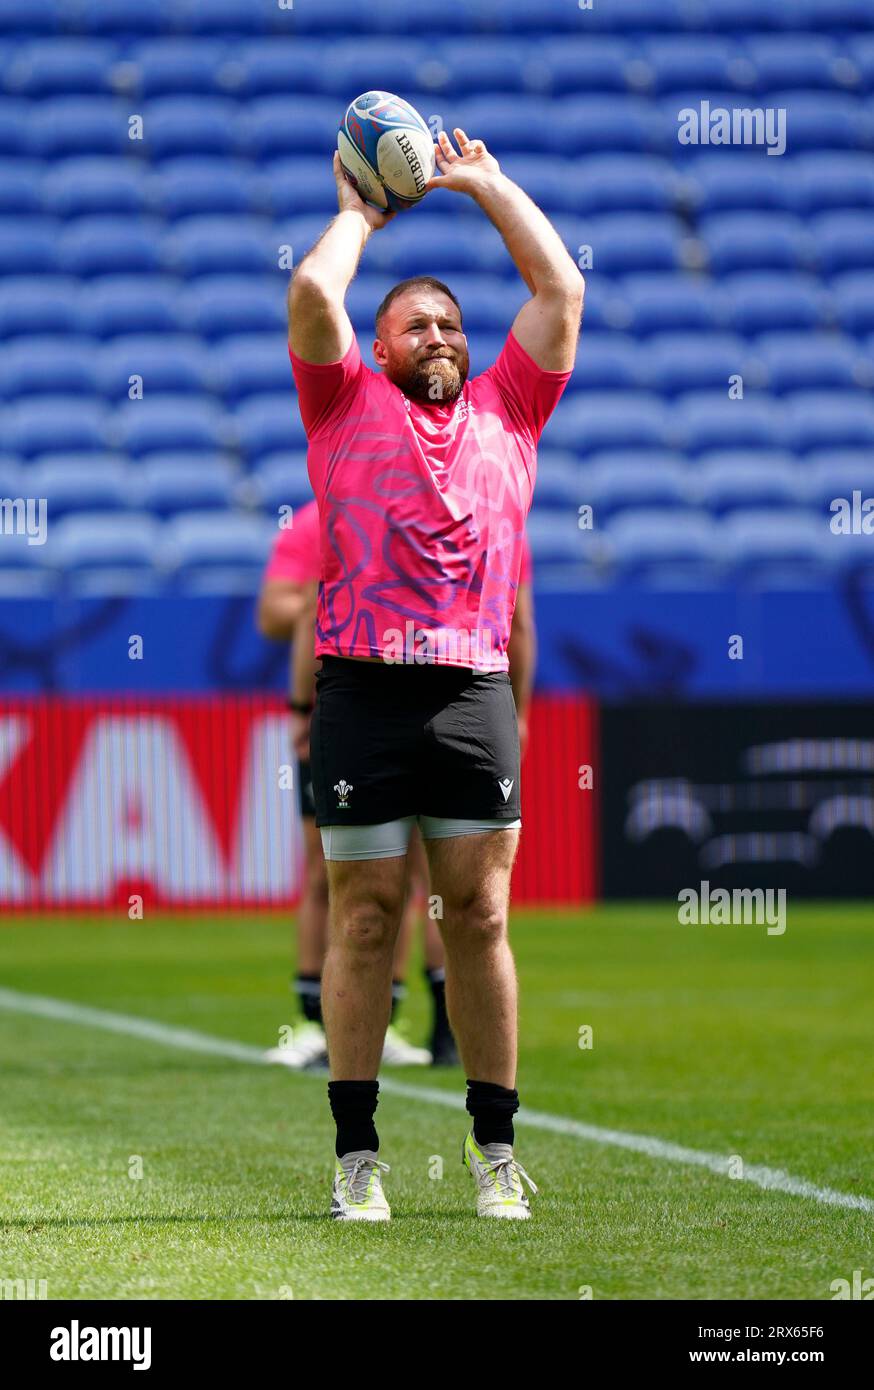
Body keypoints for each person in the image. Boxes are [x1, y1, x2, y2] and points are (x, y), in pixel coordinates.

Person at [287, 128, 583, 1221]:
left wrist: (489, 184)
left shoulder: (513, 406)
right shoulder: (341, 406)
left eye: (454, 322)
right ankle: (356, 1159)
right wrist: (364, 211)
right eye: (419, 324)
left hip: (471, 692)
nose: (443, 336)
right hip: (359, 689)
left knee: (482, 919)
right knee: (366, 917)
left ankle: (494, 1151)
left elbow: (559, 285)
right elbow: (316, 288)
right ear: (380, 344)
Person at [256, 499, 431, 1067]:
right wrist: (301, 707)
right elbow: (277, 613)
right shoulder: (317, 522)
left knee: (402, 875)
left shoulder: (423, 508)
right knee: (324, 869)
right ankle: (312, 1021)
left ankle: (386, 1019)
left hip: (410, 710)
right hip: (341, 710)